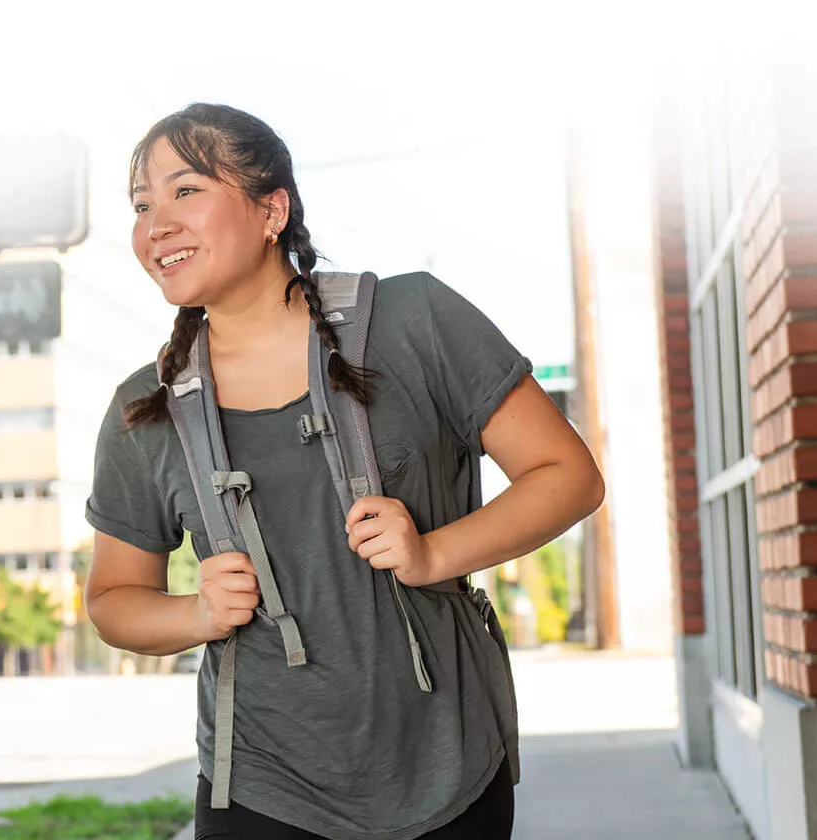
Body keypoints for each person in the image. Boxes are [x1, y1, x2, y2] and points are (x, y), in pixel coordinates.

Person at [83, 103, 605, 840]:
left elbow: (568, 475)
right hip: (261, 788)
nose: (155, 224)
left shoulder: (414, 321)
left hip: (446, 770)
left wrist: (433, 552)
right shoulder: (147, 408)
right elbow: (112, 599)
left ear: (272, 209)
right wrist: (194, 614)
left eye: (185, 191)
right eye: (141, 205)